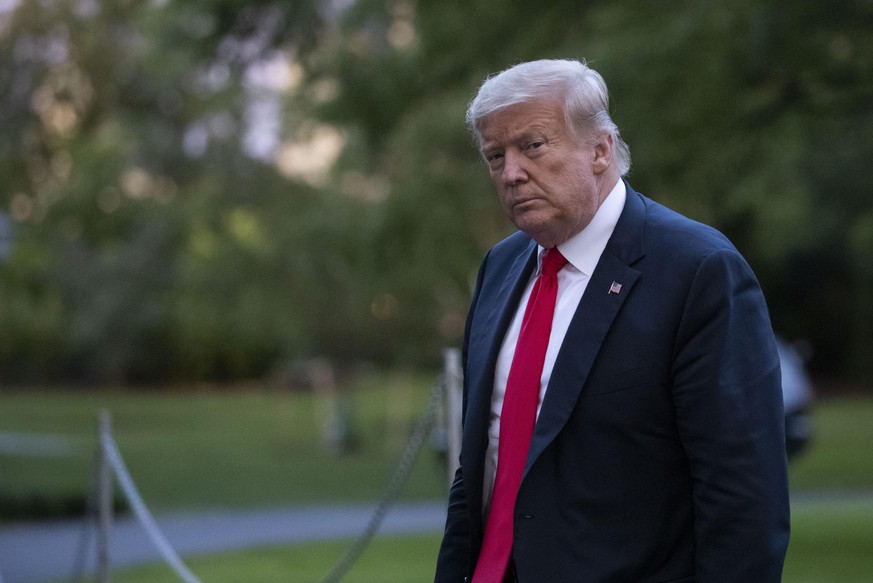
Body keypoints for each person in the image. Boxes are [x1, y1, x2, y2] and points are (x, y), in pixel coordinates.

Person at [434, 59, 790, 583]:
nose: (510, 173)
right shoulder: (500, 267)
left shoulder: (697, 271)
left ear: (600, 150)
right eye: (495, 156)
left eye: (532, 146)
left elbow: (742, 495)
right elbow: (480, 462)